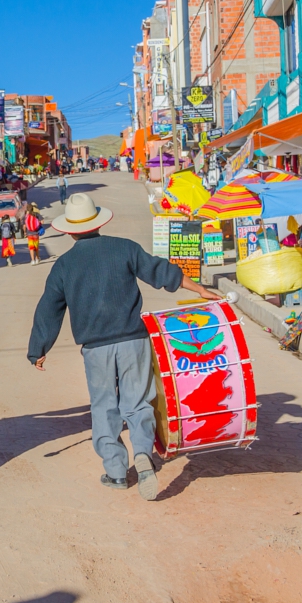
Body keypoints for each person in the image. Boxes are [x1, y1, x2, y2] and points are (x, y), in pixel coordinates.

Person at [26, 194, 220, 501]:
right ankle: (143, 453)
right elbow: (162, 272)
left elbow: (49, 308)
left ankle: (116, 472)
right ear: (99, 223)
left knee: (104, 405)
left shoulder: (64, 265)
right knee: (139, 401)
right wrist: (201, 290)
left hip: (96, 348)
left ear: (70, 231)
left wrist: (38, 348)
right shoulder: (124, 248)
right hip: (133, 341)